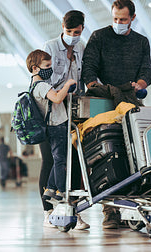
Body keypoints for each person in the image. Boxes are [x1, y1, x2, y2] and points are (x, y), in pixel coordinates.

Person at [81, 0, 151, 229]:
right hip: (103, 101)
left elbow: (146, 72)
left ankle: (130, 204)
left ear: (132, 18)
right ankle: (110, 211)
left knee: (133, 152)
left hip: (130, 101)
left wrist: (139, 84)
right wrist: (95, 86)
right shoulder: (99, 37)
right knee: (104, 152)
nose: (118, 23)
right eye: (115, 19)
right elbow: (89, 67)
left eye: (123, 19)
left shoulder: (141, 42)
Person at [26, 48, 89, 230]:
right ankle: (61, 192)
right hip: (56, 128)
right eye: (47, 66)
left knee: (58, 160)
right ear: (35, 68)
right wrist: (67, 85)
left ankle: (50, 189)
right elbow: (57, 99)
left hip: (56, 127)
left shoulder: (36, 85)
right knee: (60, 160)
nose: (50, 69)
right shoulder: (42, 86)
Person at [41, 10, 90, 230]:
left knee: (75, 161)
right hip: (50, 113)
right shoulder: (50, 47)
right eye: (68, 31)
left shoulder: (81, 47)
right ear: (62, 26)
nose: (72, 35)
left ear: (82, 29)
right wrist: (65, 86)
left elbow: (84, 78)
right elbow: (46, 81)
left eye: (77, 31)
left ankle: (74, 212)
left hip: (72, 111)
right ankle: (48, 212)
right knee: (51, 162)